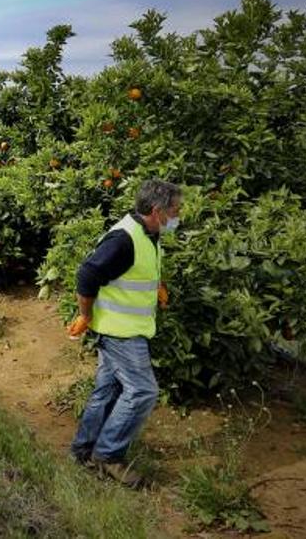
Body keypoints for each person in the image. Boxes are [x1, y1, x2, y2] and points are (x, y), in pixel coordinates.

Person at [66, 179, 181, 488]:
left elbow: (130, 271)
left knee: (108, 391)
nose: (178, 215)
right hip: (121, 333)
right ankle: (108, 455)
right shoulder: (124, 238)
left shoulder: (146, 232)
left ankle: (83, 450)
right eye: (175, 210)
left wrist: (154, 286)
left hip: (127, 328)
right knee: (143, 391)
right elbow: (87, 273)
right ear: (157, 212)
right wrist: (85, 315)